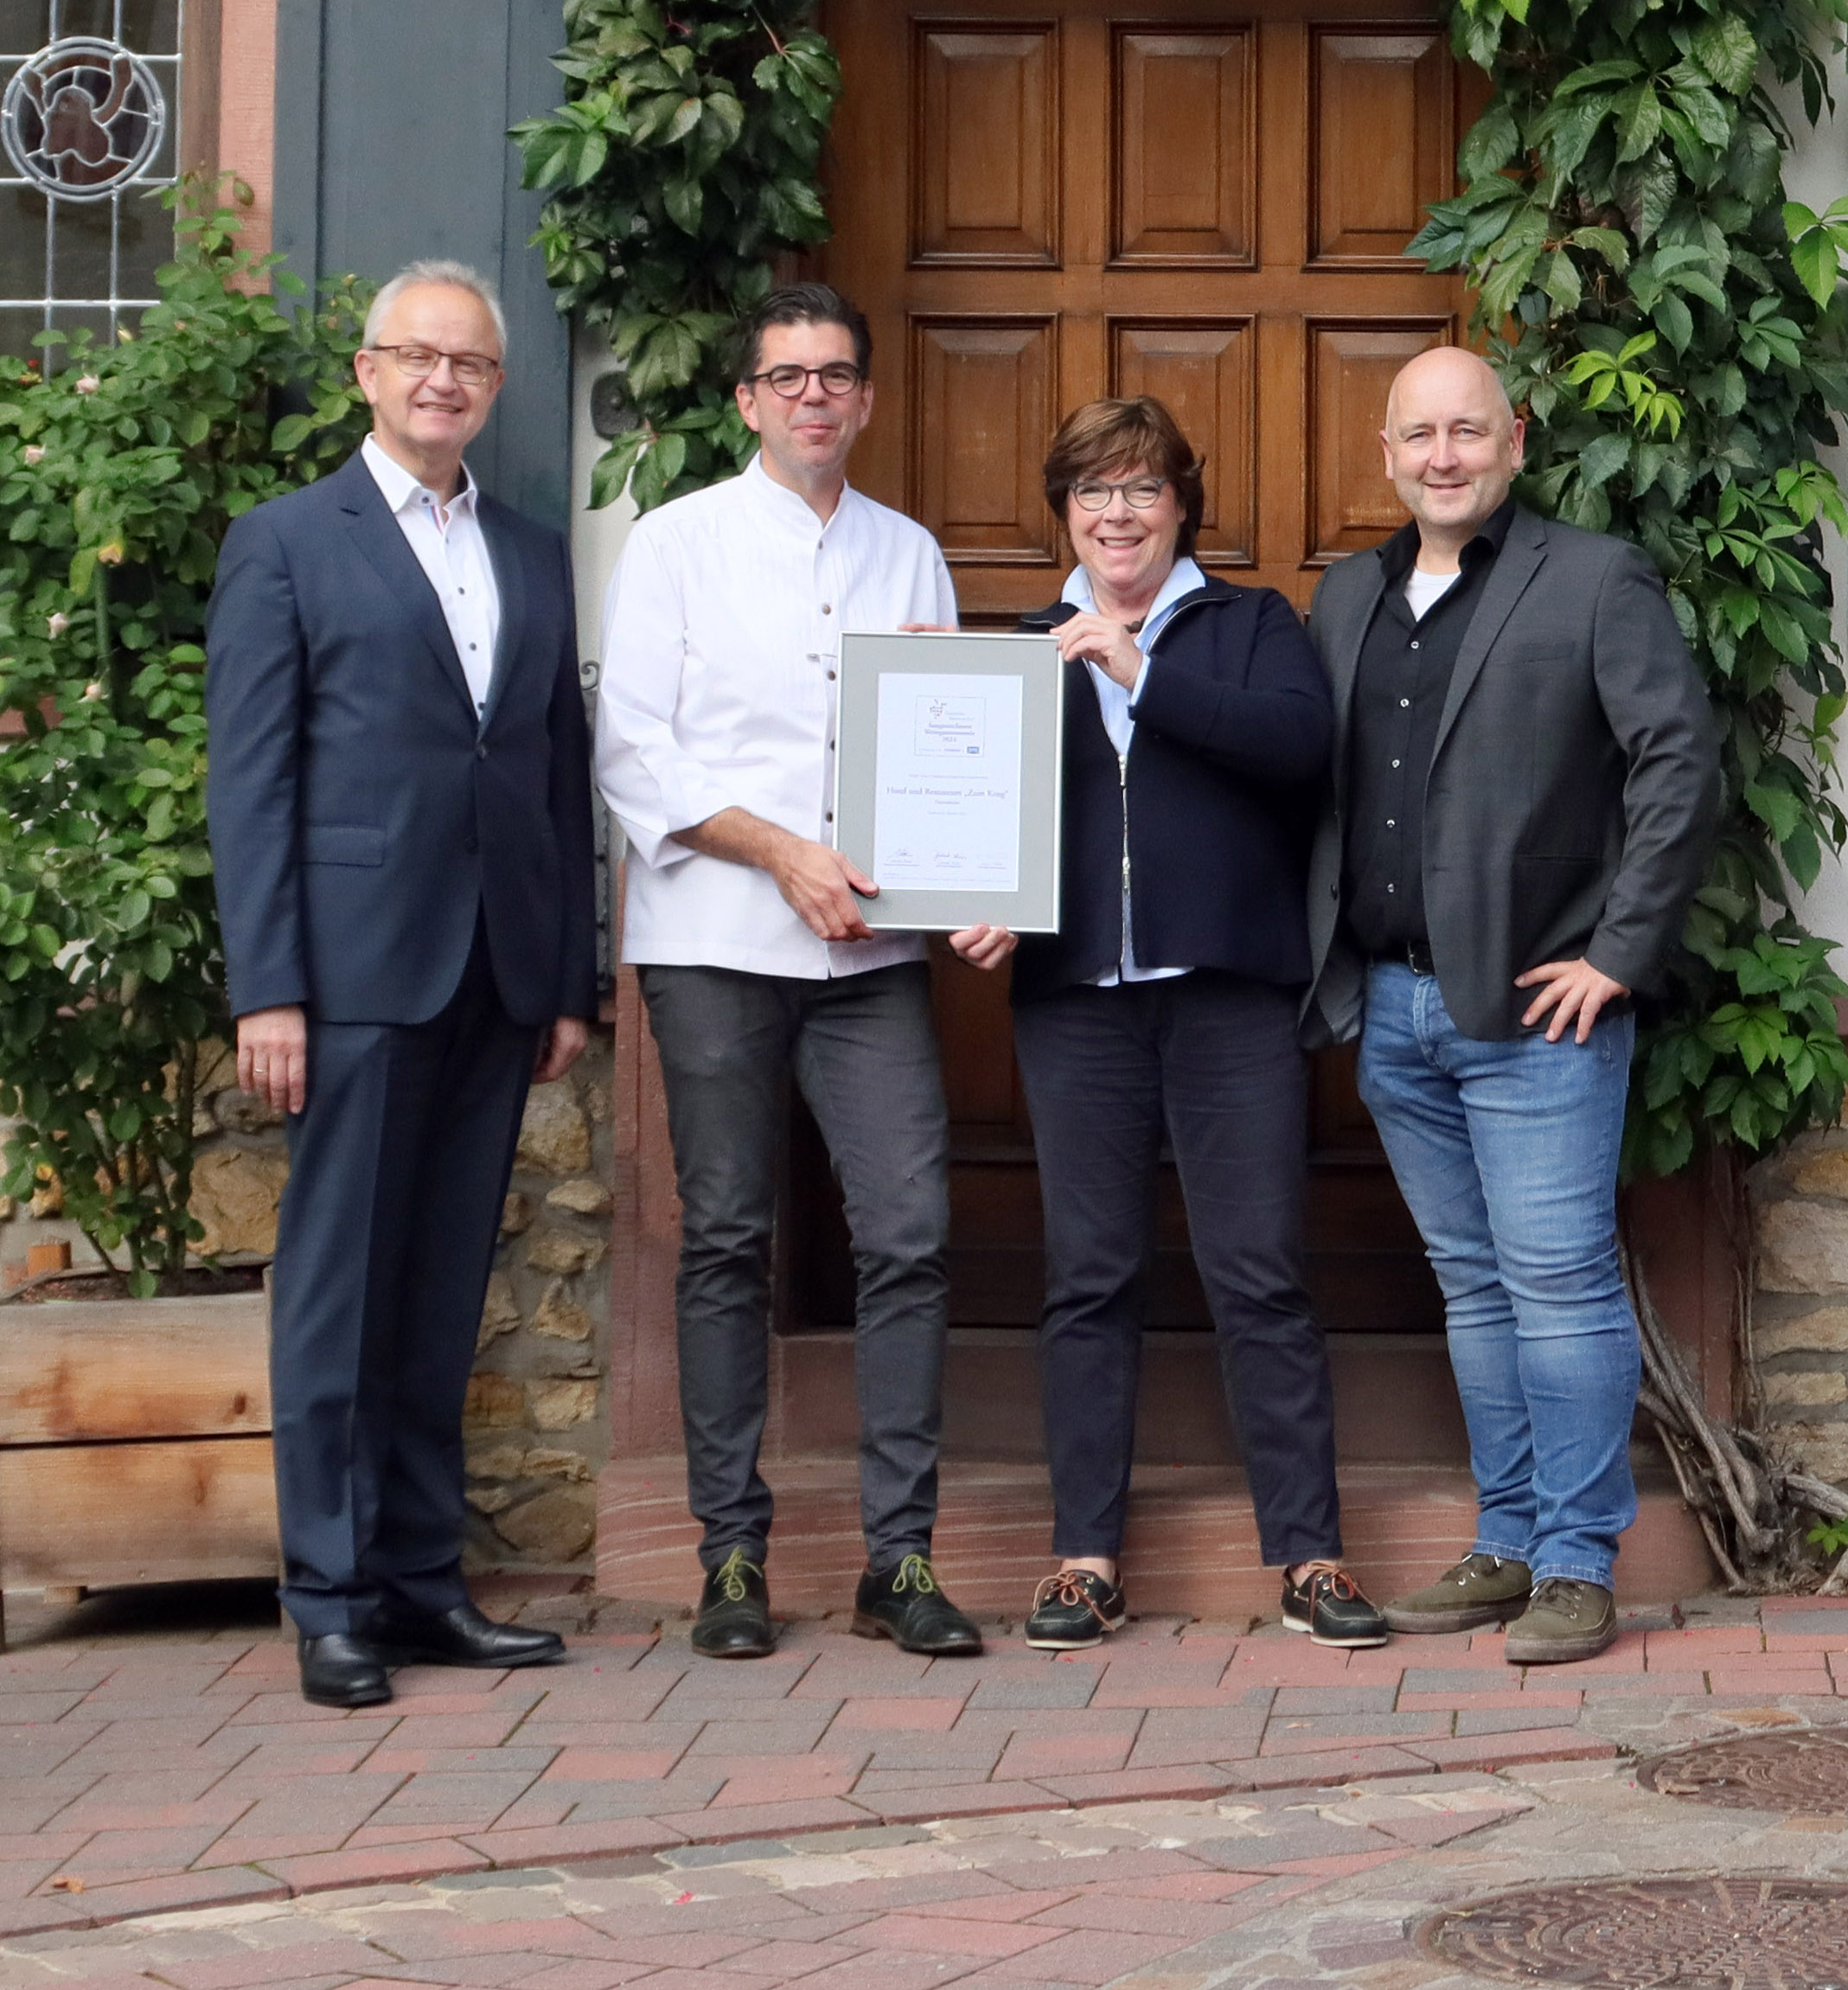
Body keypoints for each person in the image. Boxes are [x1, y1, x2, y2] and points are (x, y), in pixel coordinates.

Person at [204, 260, 596, 1706]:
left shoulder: (534, 551)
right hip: (355, 973)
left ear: (495, 387)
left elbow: (552, 767)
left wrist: (566, 976)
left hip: (497, 971)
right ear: (366, 372)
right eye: (419, 355)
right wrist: (269, 988)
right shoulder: (287, 542)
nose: (444, 379)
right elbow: (251, 781)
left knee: (439, 1294)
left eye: (471, 362)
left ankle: (426, 1583)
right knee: (337, 1295)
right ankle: (331, 1597)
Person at [591, 283, 988, 1661]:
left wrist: (971, 880)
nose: (812, 394)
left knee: (910, 1231)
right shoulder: (675, 542)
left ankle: (901, 1557)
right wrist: (779, 852)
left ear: (866, 398)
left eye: (834, 374)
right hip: (715, 942)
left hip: (871, 954)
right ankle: (731, 1556)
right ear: (747, 400)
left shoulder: (910, 553)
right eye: (787, 375)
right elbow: (634, 748)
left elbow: (941, 746)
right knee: (725, 1234)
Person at [1305, 344, 1713, 1669]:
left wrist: (1618, 953)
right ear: (1387, 453)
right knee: (1475, 1291)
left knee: (1558, 1285)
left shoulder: (1592, 578)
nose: (1444, 455)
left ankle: (1580, 1563)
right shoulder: (1348, 596)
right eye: (1420, 433)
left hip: (1540, 1015)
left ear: (1516, 440)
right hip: (1395, 1007)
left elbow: (1676, 763)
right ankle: (1510, 1540)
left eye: (1467, 430)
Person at [1001, 395, 1386, 1653]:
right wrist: (973, 898)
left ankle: (1311, 1557)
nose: (1117, 513)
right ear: (1064, 512)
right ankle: (1083, 1561)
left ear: (1181, 506)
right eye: (1092, 491)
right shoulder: (1019, 649)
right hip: (1075, 1002)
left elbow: (1299, 747)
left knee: (1259, 1271)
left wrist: (1142, 674)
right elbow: (972, 804)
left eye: (1142, 489)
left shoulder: (1251, 625)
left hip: (1228, 997)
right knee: (1089, 1276)